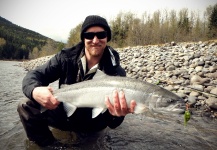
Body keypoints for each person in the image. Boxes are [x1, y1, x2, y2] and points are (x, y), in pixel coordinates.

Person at [17, 15, 136, 147]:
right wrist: (35, 90)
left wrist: (117, 115)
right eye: (89, 35)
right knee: (25, 105)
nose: (95, 40)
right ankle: (50, 146)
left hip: (93, 124)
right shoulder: (65, 58)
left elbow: (113, 124)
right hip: (64, 115)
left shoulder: (116, 72)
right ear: (83, 38)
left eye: (101, 34)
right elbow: (34, 75)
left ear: (107, 37)